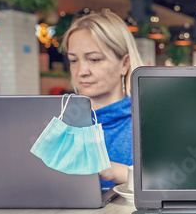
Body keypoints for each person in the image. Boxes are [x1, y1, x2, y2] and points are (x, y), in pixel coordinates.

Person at [61, 11, 143, 188]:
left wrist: (116, 171)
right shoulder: (61, 126)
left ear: (124, 63)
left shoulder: (146, 122)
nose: (82, 71)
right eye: (73, 60)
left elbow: (173, 184)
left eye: (94, 59)